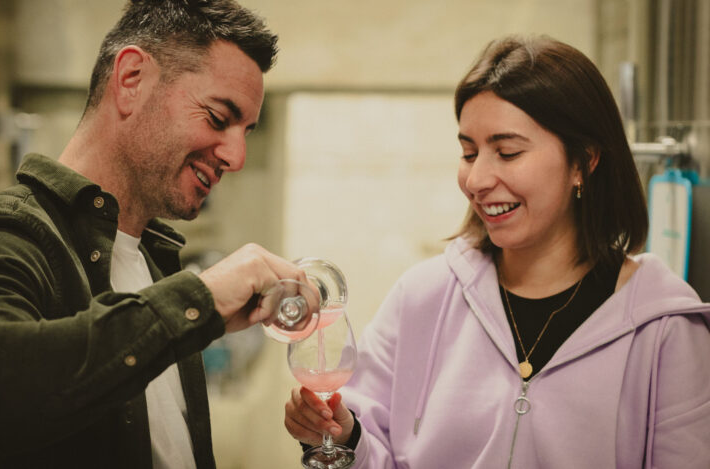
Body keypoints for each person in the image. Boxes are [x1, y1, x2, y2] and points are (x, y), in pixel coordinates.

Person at [284, 35, 710, 468]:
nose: (478, 179)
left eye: (507, 152)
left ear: (584, 160)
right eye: (469, 152)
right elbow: (368, 450)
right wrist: (342, 437)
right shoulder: (423, 297)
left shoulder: (666, 328)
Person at [0, 1, 297, 468]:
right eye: (217, 117)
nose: (236, 156)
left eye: (246, 131)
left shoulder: (154, 263)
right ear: (131, 79)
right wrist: (199, 297)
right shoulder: (11, 232)